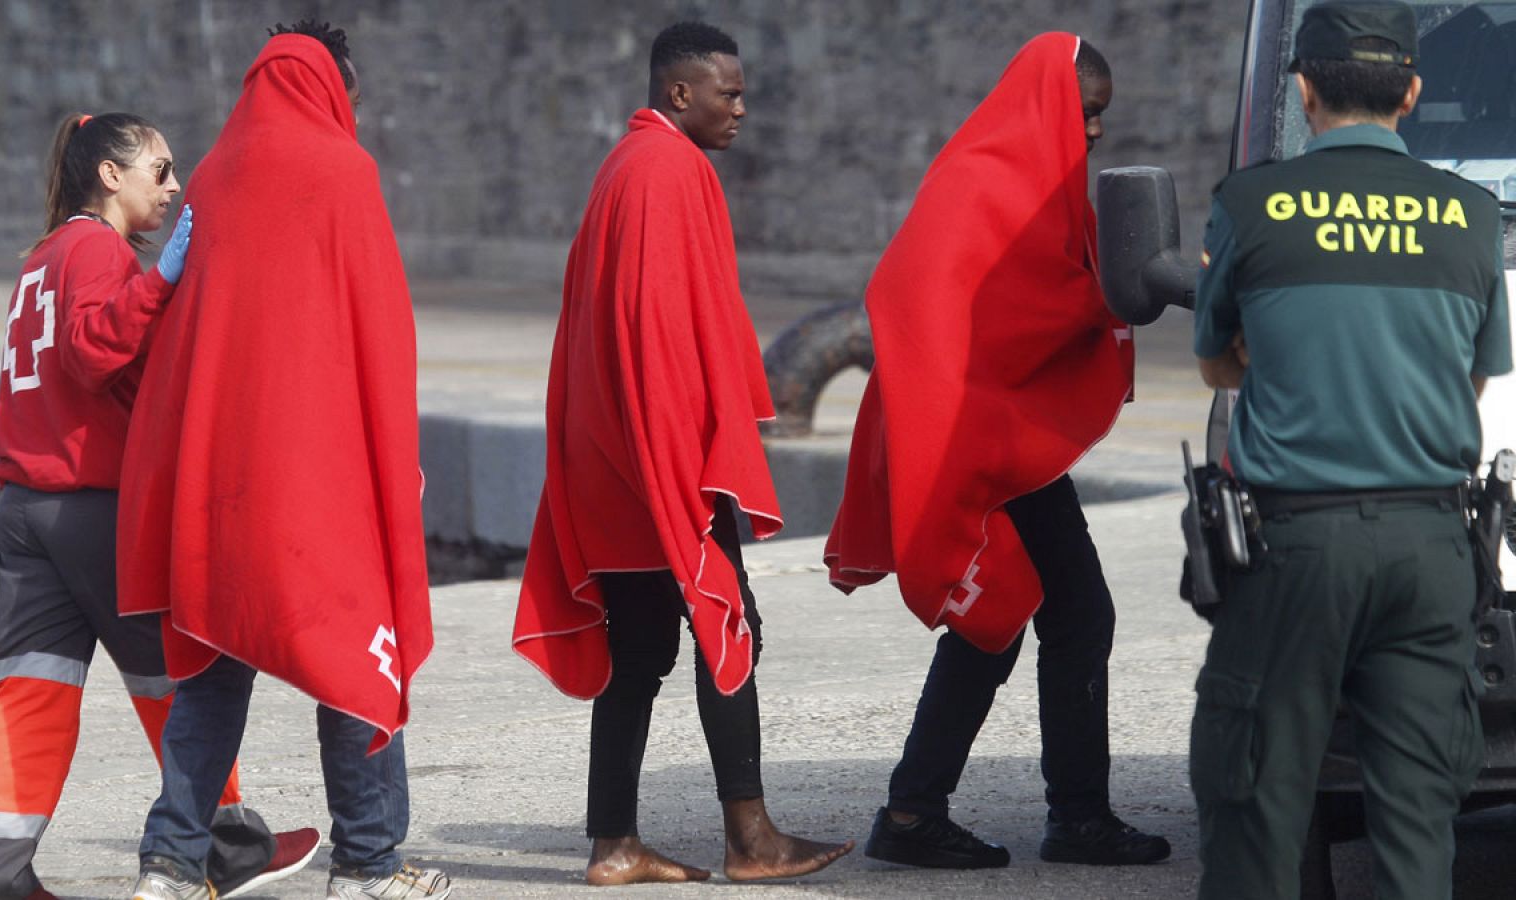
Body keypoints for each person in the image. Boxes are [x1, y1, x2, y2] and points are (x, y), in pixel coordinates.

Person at [511, 21, 855, 887]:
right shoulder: (670, 171)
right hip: (655, 458)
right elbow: (658, 340)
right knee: (727, 623)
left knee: (640, 651)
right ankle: (752, 840)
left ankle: (615, 846)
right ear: (680, 94)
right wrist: (687, 471)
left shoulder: (630, 166)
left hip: (612, 454)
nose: (741, 108)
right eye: (728, 93)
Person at [115, 22, 448, 900]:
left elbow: (187, 343)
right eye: (354, 99)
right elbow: (381, 332)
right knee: (351, 660)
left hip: (222, 484)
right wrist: (391, 462)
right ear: (329, 90)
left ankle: (172, 865)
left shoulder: (215, 180)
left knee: (215, 673)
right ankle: (369, 865)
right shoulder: (344, 174)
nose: (356, 115)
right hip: (319, 483)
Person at [824, 33, 1171, 870]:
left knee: (1041, 616)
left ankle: (944, 810)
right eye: (1083, 114)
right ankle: (992, 815)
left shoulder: (1041, 189)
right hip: (970, 436)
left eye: (1102, 119)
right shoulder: (979, 182)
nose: (1092, 134)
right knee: (1043, 616)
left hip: (1002, 436)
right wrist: (1096, 302)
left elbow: (1047, 291)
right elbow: (915, 299)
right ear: (1046, 105)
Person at [0, 113, 318, 899]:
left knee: (31, 690)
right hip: (93, 504)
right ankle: (224, 842)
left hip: (25, 505)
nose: (175, 184)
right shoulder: (93, 249)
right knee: (181, 674)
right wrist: (161, 285)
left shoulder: (42, 257)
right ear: (110, 175)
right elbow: (90, 353)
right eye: (160, 167)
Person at [1190, 2, 1510, 897]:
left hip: (1294, 548)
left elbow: (1218, 365)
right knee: (1419, 814)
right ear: (1412, 90)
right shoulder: (1472, 216)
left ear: (1302, 86)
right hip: (1433, 548)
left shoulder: (1250, 207)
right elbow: (1473, 384)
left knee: (1257, 799)